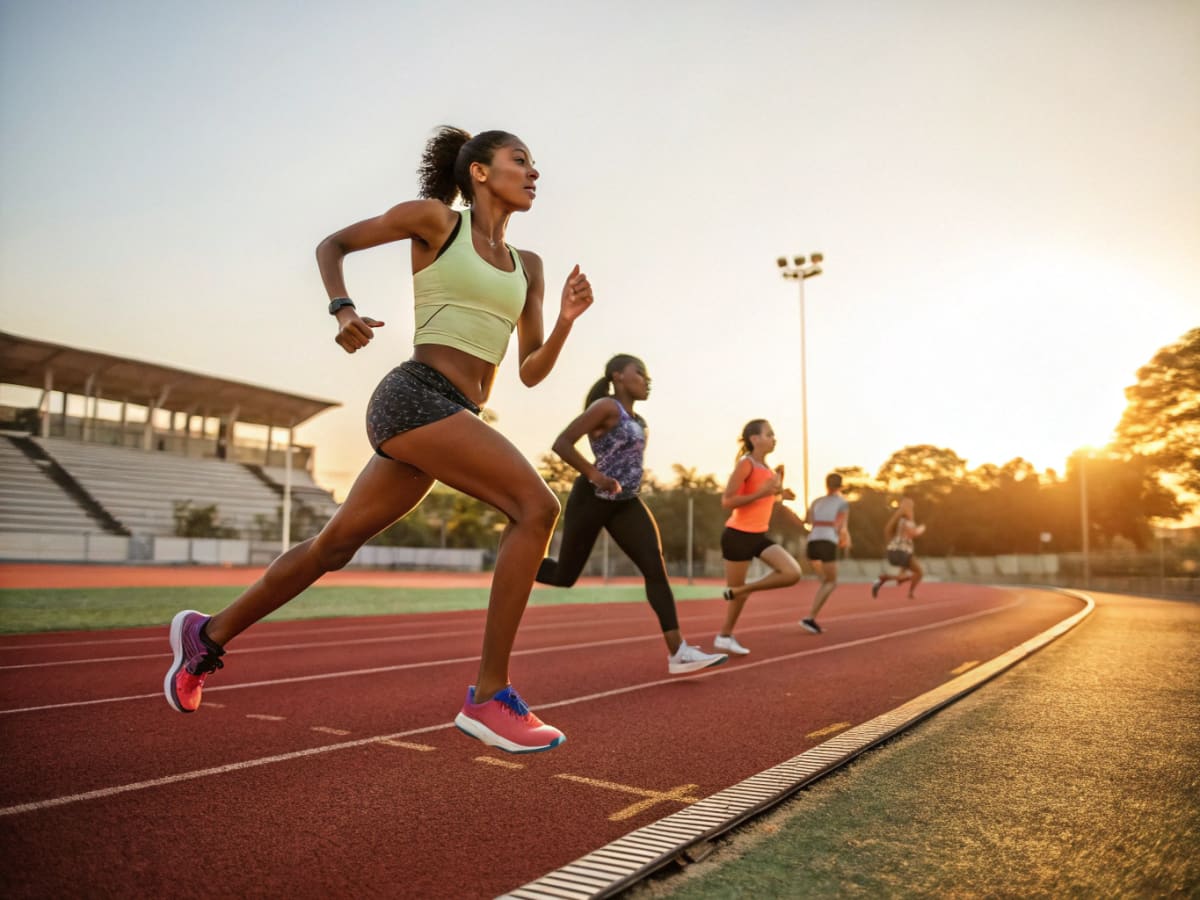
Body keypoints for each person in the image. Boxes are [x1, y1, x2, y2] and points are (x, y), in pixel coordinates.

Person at [164, 126, 595, 754]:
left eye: (534, 164)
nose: (534, 172)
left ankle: (206, 636)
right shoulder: (436, 222)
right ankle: (489, 695)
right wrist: (342, 308)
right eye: (520, 160)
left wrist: (564, 322)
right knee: (536, 507)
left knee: (333, 547)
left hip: (453, 413)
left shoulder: (529, 266)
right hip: (415, 396)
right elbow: (333, 244)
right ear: (479, 171)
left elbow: (529, 370)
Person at [536, 355, 727, 674]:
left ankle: (678, 652)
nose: (646, 379)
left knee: (655, 567)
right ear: (618, 376)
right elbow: (562, 443)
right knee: (564, 577)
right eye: (639, 372)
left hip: (625, 502)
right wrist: (594, 475)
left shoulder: (640, 421)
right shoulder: (606, 407)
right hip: (592, 498)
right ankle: (516, 561)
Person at [715, 419, 803, 655]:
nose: (774, 438)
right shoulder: (746, 464)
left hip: (758, 535)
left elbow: (766, 500)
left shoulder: (769, 470)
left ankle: (741, 590)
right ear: (755, 439)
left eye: (773, 435)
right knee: (739, 599)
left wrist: (781, 495)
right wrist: (763, 492)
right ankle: (724, 636)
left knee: (792, 572)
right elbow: (727, 501)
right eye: (769, 434)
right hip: (737, 535)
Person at [799, 472, 851, 634]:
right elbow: (841, 526)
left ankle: (811, 617)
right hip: (827, 541)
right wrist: (844, 540)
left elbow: (808, 521)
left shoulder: (816, 501)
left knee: (824, 581)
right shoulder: (843, 503)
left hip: (812, 542)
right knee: (831, 582)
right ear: (840, 486)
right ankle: (810, 618)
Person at [872, 497, 926, 599]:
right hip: (902, 552)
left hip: (896, 551)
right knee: (919, 573)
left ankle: (886, 579)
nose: (912, 509)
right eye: (910, 507)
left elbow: (889, 530)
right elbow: (913, 533)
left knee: (904, 577)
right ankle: (885, 579)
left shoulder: (901, 520)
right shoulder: (906, 521)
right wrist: (922, 528)